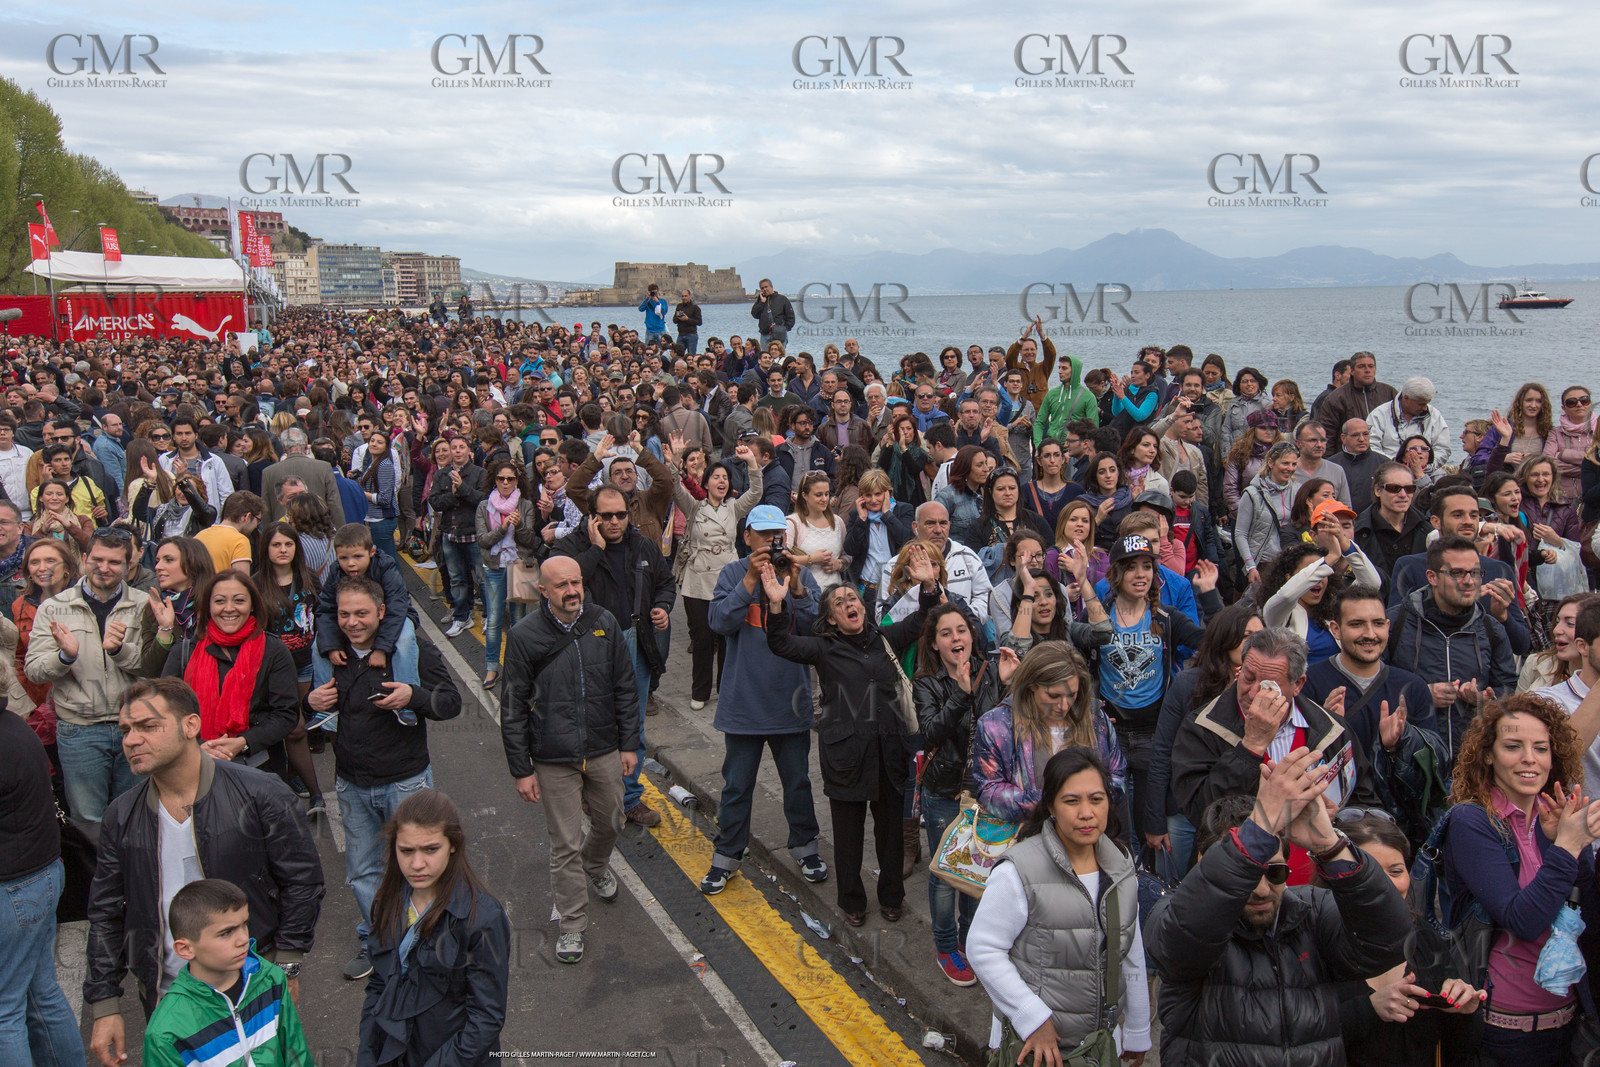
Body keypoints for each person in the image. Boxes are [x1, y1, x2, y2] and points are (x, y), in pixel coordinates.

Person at [86, 677, 324, 1067]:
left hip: (250, 987)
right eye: (126, 729)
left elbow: (303, 881)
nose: (131, 740)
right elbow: (106, 912)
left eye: (148, 726)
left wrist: (286, 965)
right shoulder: (121, 815)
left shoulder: (261, 793)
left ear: (190, 725)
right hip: (169, 998)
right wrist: (104, 1002)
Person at [1145, 765, 1412, 1066]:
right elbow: (1181, 943)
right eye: (1247, 875)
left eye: (1274, 872)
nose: (1261, 889)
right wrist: (1259, 828)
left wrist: (1331, 846)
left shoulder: (1311, 910)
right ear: (1205, 862)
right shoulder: (1173, 914)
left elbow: (1387, 944)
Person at [764, 548, 944, 926]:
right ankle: (852, 902)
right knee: (848, 837)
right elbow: (781, 645)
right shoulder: (823, 648)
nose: (850, 604)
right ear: (830, 618)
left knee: (891, 834)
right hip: (846, 755)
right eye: (841, 602)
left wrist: (928, 584)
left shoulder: (883, 638)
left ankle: (892, 896)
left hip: (889, 752)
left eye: (853, 599)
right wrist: (778, 607)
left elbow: (924, 620)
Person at [305, 577, 461, 983]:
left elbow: (451, 703)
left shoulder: (411, 650)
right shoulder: (330, 655)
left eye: (361, 613)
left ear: (381, 613)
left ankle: (428, 940)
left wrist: (415, 697)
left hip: (405, 782)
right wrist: (308, 701)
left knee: (420, 866)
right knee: (362, 872)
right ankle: (379, 940)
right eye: (344, 614)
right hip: (351, 784)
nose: (353, 622)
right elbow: (295, 716)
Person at [1439, 694, 1600, 1062]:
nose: (1530, 758)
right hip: (1504, 1033)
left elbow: (1587, 917)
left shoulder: (1555, 818)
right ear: (1489, 755)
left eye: (1541, 748)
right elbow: (1522, 920)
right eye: (1514, 746)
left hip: (1570, 1024)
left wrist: (1575, 846)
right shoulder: (1472, 821)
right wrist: (1568, 847)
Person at [968, 747, 1151, 1065]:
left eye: (1096, 799)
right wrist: (1032, 1019)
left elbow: (1129, 951)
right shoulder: (1020, 870)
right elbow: (982, 949)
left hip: (1100, 1047)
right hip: (1040, 1051)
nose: (1086, 813)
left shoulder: (1120, 866)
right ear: (1051, 806)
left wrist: (1136, 1030)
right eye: (1072, 801)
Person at [499, 554, 637, 962]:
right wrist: (521, 769)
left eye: (576, 582)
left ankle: (596, 865)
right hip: (553, 756)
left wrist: (629, 744)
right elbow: (512, 706)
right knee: (564, 843)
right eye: (562, 585)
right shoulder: (524, 636)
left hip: (603, 747)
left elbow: (625, 687)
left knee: (613, 819)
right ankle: (572, 924)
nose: (573, 591)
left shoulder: (603, 622)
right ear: (543, 590)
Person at [1169, 626, 1384, 882]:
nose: (1252, 692)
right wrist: (1251, 747)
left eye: (1268, 685)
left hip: (1317, 884)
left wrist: (1338, 819)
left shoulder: (1331, 729)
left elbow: (1364, 800)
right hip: (1238, 880)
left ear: (1298, 684)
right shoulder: (1203, 726)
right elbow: (1199, 811)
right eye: (1247, 677)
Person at [702, 509, 828, 892]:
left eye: (779, 535)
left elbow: (818, 631)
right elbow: (718, 623)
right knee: (737, 785)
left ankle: (806, 848)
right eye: (765, 535)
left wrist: (798, 590)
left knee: (798, 782)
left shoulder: (799, 574)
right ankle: (726, 856)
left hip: (789, 702)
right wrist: (750, 579)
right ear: (747, 536)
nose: (772, 543)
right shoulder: (731, 573)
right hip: (744, 704)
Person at [550, 484, 674, 827]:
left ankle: (630, 798)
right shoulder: (571, 548)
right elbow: (562, 589)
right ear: (592, 517)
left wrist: (662, 607)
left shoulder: (643, 545)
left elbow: (666, 582)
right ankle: (593, 793)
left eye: (621, 514)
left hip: (636, 643)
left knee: (632, 723)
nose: (616, 521)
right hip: (588, 645)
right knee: (592, 721)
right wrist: (596, 549)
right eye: (607, 516)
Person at [357, 789, 509, 1065]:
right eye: (406, 851)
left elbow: (485, 1018)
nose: (417, 864)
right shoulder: (388, 902)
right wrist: (367, 1055)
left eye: (430, 849)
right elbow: (379, 985)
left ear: (453, 844)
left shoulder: (483, 918)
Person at [914, 605, 1019, 985]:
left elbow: (1002, 726)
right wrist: (959, 692)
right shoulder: (927, 681)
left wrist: (1007, 684)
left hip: (984, 791)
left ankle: (970, 941)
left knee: (979, 870)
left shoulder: (990, 671)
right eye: (946, 633)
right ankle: (946, 948)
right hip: (944, 790)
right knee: (947, 873)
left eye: (962, 630)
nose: (956, 638)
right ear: (935, 643)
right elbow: (931, 733)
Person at [1329, 813, 1485, 1067]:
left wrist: (1464, 1014)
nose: (1385, 884)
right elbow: (1290, 1039)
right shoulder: (1313, 938)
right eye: (1368, 871)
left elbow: (1461, 1049)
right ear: (1333, 876)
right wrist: (1369, 1009)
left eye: (1396, 871)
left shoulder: (1424, 938)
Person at [1096, 532, 1219, 844]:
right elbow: (1081, 663)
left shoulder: (1166, 618)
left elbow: (1214, 644)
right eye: (1132, 567)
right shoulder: (1098, 615)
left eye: (1147, 567)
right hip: (1111, 734)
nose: (1141, 575)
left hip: (1154, 734)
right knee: (1114, 825)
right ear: (1116, 573)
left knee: (1151, 823)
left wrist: (1209, 597)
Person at [1302, 589, 1447, 849]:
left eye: (1378, 624)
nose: (1370, 634)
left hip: (1399, 829)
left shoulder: (1412, 686)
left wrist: (1399, 744)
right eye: (1357, 624)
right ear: (1335, 629)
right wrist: (1327, 729)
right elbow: (1297, 761)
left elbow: (1434, 771)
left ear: (1388, 626)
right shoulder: (1310, 683)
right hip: (1333, 828)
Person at [25, 527, 150, 822]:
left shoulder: (143, 605)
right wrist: (65, 656)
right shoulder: (54, 607)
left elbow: (155, 667)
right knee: (88, 820)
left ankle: (132, 870)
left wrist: (120, 651)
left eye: (114, 562)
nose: (104, 568)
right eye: (97, 559)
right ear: (84, 558)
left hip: (133, 725)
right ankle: (97, 870)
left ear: (128, 564)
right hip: (79, 729)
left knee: (135, 815)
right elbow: (34, 670)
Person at [142, 879, 312, 1067]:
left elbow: (296, 1055)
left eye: (244, 924)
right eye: (226, 933)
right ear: (185, 949)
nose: (243, 939)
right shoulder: (166, 1032)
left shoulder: (271, 979)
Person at [1146, 602, 1264, 873]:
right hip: (1186, 813)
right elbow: (1162, 751)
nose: (1254, 643)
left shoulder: (1269, 689)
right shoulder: (1189, 684)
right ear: (1225, 638)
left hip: (1247, 815)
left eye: (1260, 635)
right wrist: (1155, 822)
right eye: (1247, 636)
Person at [0, 705, 84, 1067]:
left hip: (14, 887)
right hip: (38, 876)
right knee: (40, 993)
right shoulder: (14, 726)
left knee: (5, 1012)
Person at [1385, 536, 1519, 762]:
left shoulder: (1490, 628)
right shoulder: (1395, 622)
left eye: (1475, 573)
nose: (1469, 581)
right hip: (1409, 761)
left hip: (1470, 763)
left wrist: (1487, 698)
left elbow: (1508, 689)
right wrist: (1421, 695)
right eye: (1457, 573)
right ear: (1432, 577)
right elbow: (1373, 683)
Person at [160, 569, 299, 782]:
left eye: (239, 600)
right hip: (194, 769)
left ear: (253, 605)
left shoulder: (273, 651)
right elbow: (165, 711)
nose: (229, 609)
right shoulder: (185, 652)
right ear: (208, 606)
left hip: (258, 769)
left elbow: (286, 714)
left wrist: (243, 741)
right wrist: (198, 746)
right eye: (219, 601)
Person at [674, 444, 762, 708]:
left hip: (728, 576)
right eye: (716, 476)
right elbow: (675, 489)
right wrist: (675, 462)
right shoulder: (694, 507)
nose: (721, 481)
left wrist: (751, 463)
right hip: (698, 578)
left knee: (728, 637)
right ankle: (699, 692)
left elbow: (756, 493)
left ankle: (726, 689)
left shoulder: (733, 507)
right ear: (706, 481)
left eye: (725, 477)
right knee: (701, 639)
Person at [255, 519, 324, 815]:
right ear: (265, 549)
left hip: (305, 664)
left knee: (299, 724)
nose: (283, 550)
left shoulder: (308, 577)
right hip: (272, 671)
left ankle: (295, 774)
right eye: (276, 545)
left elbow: (322, 614)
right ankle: (316, 794)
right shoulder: (255, 584)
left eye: (288, 544)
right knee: (293, 727)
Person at [475, 460, 539, 689]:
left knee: (520, 621)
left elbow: (530, 541)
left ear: (517, 480)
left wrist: (519, 525)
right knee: (493, 620)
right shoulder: (484, 506)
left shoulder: (525, 505)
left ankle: (520, 667)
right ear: (494, 479)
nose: (505, 483)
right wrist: (502, 529)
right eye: (501, 478)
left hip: (521, 565)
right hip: (493, 567)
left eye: (510, 479)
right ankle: (491, 668)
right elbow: (482, 540)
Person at [427, 433, 486, 638]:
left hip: (473, 534)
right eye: (454, 447)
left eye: (462, 447)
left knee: (482, 578)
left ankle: (488, 616)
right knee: (457, 579)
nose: (458, 451)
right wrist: (452, 495)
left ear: (469, 450)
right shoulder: (442, 475)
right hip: (450, 534)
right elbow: (434, 501)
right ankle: (462, 616)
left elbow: (483, 501)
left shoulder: (479, 473)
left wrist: (462, 488)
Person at [1235, 440, 1301, 586]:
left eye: (1294, 464)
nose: (1290, 468)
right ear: (1271, 463)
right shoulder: (1252, 493)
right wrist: (1250, 566)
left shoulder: (1298, 491)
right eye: (1285, 463)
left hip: (1289, 563)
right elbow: (1240, 533)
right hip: (1262, 564)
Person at [1319, 350, 1398, 447]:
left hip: (1384, 455)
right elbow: (1328, 435)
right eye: (1361, 367)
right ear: (1352, 371)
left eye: (1371, 366)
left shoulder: (1389, 393)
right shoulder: (1336, 398)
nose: (1367, 370)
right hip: (1349, 456)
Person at [786, 471, 848, 595]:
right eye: (818, 495)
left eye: (827, 494)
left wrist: (839, 564)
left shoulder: (838, 522)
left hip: (835, 595)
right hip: (804, 595)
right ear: (804, 495)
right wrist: (811, 559)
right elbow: (783, 560)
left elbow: (847, 556)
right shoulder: (792, 523)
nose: (824, 499)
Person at [1545, 384, 1597, 500]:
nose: (1579, 405)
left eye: (1584, 400)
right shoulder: (1556, 433)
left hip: (1595, 502)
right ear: (1564, 408)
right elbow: (1547, 464)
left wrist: (1564, 455)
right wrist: (1590, 470)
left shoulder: (1599, 430)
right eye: (1572, 402)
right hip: (1561, 499)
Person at [194, 490, 262, 574]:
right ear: (247, 516)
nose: (256, 525)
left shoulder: (199, 536)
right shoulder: (240, 541)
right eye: (258, 520)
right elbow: (241, 582)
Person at [750, 278, 795, 348]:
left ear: (771, 286)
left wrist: (785, 329)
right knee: (765, 357)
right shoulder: (761, 301)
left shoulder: (782, 299)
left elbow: (791, 317)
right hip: (765, 335)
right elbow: (754, 314)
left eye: (766, 287)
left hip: (779, 334)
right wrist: (761, 303)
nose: (764, 289)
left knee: (779, 357)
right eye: (762, 288)